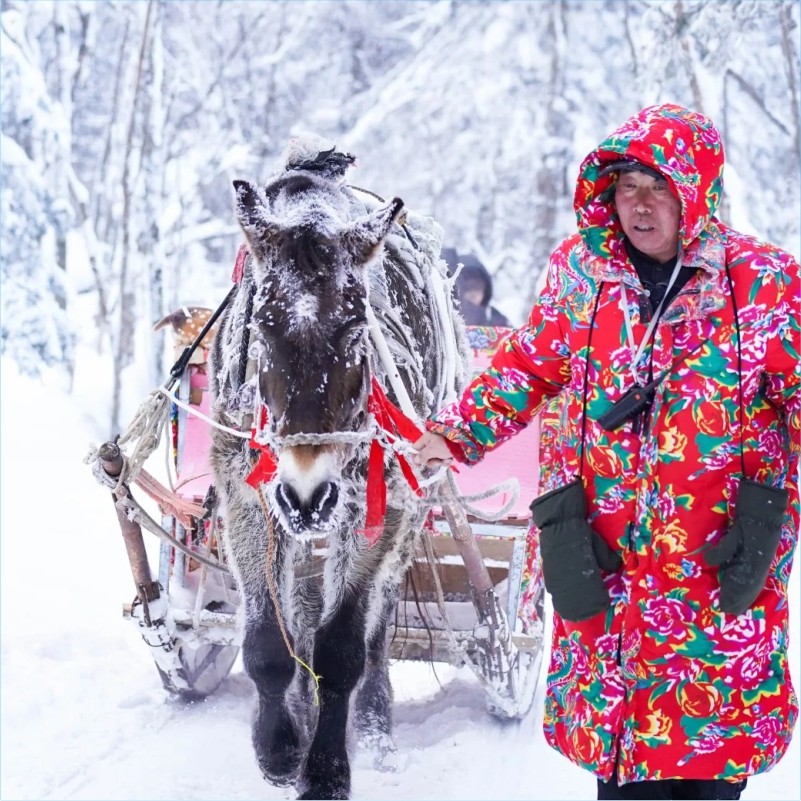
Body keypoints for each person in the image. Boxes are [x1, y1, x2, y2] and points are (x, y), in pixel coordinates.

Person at [413, 104, 800, 800]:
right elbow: (526, 367)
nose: (640, 205)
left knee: (712, 766)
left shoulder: (764, 283)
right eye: (626, 187)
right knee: (621, 772)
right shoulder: (581, 274)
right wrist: (454, 432)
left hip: (716, 569)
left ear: (696, 190)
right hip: (608, 565)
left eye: (658, 186)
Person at [442, 247, 511, 326]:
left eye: (478, 287)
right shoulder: (444, 318)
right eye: (468, 286)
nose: (473, 292)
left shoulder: (498, 321)